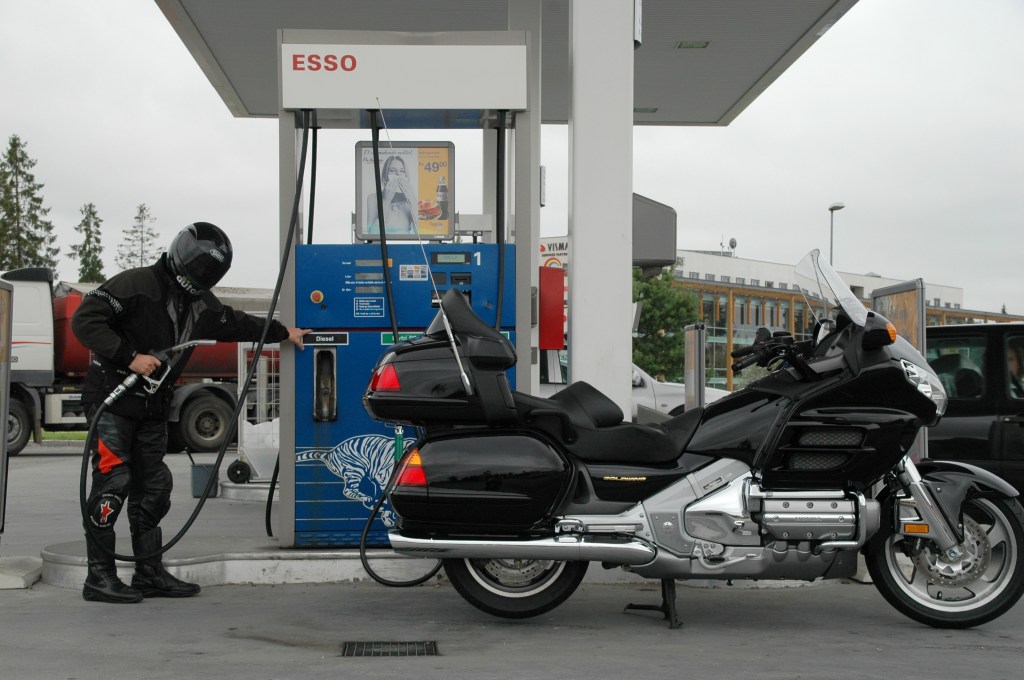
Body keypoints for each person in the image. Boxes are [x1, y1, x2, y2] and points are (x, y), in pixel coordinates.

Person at [72, 222, 309, 604]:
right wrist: (130, 357)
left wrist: (283, 332)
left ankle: (149, 572)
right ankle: (99, 577)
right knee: (113, 483)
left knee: (154, 488)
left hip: (153, 406)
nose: (199, 279)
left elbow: (237, 322)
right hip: (112, 401)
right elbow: (85, 319)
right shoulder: (135, 284)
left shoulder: (203, 305)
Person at [365, 154, 417, 234]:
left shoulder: (410, 200)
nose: (398, 174)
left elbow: (421, 234)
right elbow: (373, 234)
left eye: (402, 171)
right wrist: (386, 201)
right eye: (392, 170)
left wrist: (412, 201)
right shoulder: (373, 198)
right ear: (385, 177)